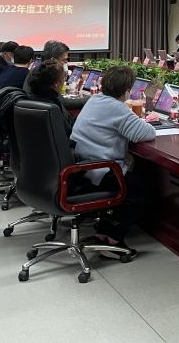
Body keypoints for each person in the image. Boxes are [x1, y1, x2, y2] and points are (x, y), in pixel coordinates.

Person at [71, 64, 157, 254]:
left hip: (81, 169)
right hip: (100, 173)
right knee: (140, 186)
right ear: (127, 92)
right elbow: (146, 133)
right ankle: (114, 240)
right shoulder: (118, 109)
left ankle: (103, 234)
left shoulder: (94, 100)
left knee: (129, 174)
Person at [28, 40, 88, 110]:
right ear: (53, 60)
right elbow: (63, 103)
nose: (65, 64)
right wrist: (90, 100)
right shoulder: (45, 76)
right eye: (64, 61)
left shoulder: (36, 72)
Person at [25, 59, 74, 137]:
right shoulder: (53, 108)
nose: (63, 81)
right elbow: (69, 132)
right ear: (55, 83)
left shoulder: (29, 100)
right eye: (63, 78)